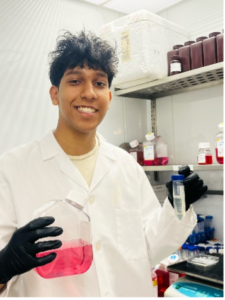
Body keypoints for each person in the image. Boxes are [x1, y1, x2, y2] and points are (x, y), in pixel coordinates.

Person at [0, 31, 207, 298]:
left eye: (99, 83)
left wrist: (178, 207)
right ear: (54, 94)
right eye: (75, 80)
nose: (88, 93)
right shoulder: (11, 169)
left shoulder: (125, 165)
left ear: (109, 97)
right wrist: (4, 266)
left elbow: (147, 249)